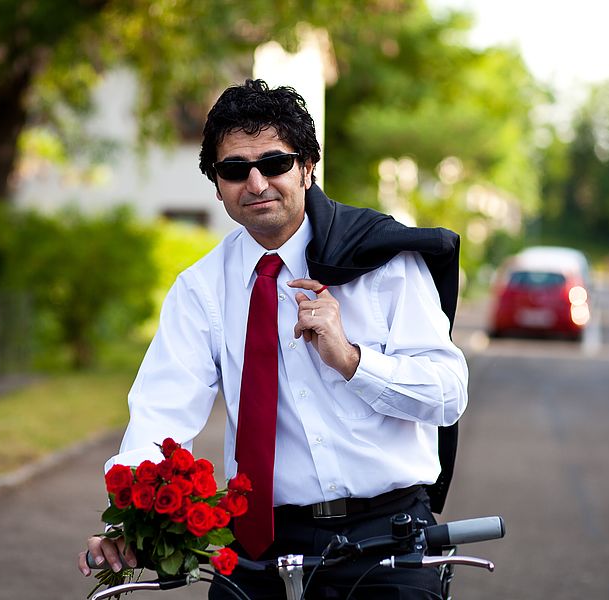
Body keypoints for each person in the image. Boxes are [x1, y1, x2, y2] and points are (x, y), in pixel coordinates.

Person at [78, 79, 468, 599]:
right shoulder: (201, 289)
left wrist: (350, 359)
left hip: (387, 537)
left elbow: (447, 394)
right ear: (217, 186)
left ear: (307, 167)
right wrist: (131, 520)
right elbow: (159, 416)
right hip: (263, 545)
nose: (256, 182)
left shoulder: (384, 260)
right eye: (234, 170)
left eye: (275, 163)